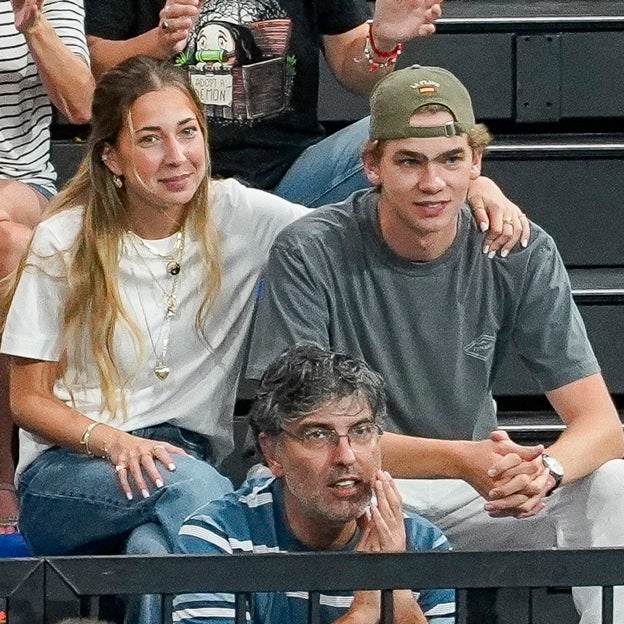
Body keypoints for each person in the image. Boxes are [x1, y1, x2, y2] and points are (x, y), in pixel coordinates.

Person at [246, 64, 624, 623]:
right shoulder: (311, 250)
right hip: (360, 478)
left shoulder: (516, 248)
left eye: (450, 160)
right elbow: (305, 431)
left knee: (613, 485)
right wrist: (463, 459)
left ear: (475, 164)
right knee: (285, 480)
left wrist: (543, 474)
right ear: (371, 165)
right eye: (410, 162)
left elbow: (602, 425)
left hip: (475, 492)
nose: (433, 183)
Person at [0, 55, 309, 622]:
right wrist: (115, 442)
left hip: (181, 460)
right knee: (205, 500)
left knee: (156, 557)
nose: (177, 156)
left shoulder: (239, 214)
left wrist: (479, 186)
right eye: (150, 139)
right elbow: (27, 399)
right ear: (112, 157)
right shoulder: (62, 240)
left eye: (188, 132)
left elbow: (354, 226)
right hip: (70, 473)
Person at [83, 0, 529, 256]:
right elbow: (94, 67)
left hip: (293, 184)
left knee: (403, 123)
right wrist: (158, 43)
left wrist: (382, 39)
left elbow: (356, 73)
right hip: (172, 186)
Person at [173, 343, 456, 624]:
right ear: (273, 453)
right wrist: (363, 612)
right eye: (318, 435)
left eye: (361, 431)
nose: (346, 456)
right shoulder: (220, 537)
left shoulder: (423, 544)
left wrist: (397, 584)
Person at [0, 0, 94, 541]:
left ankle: (4, 465)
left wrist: (33, 23)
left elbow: (81, 104)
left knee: (10, 241)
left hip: (20, 182)